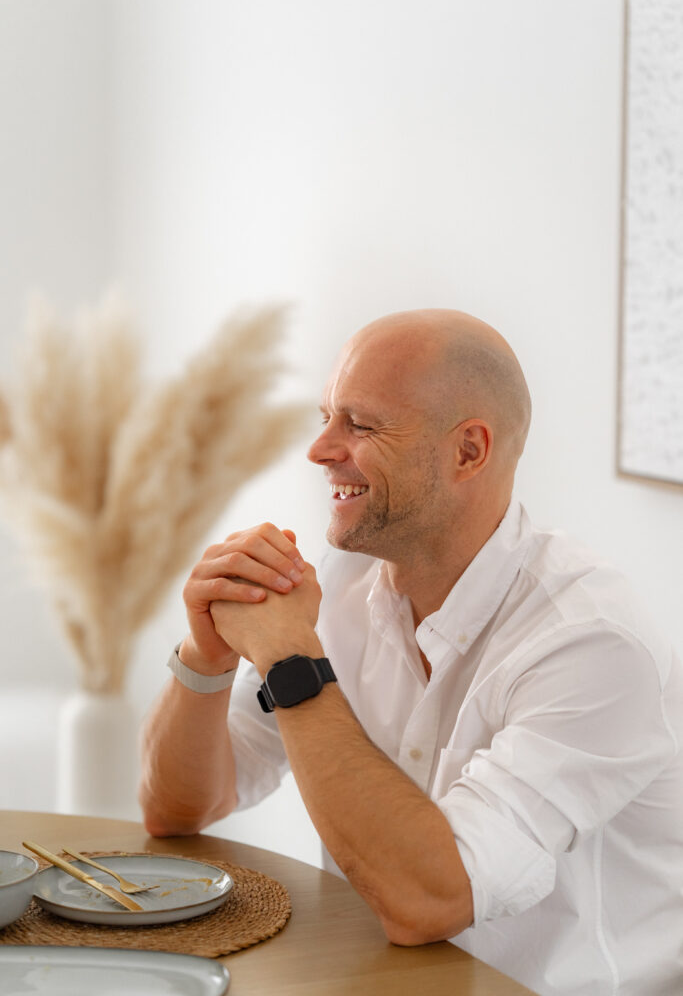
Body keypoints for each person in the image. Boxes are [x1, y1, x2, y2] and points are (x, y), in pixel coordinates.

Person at [139, 309, 683, 996]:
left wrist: (292, 663)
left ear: (468, 451)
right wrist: (206, 653)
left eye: (360, 425)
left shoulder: (592, 644)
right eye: (325, 417)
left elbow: (429, 901)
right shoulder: (341, 583)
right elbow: (178, 809)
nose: (318, 449)